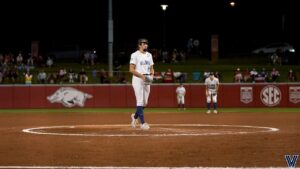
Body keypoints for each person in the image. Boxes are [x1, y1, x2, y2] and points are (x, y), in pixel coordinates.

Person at [129, 38, 154, 130]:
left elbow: (151, 68)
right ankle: (143, 123)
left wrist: (152, 75)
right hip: (137, 78)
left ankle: (134, 117)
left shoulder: (149, 55)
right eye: (144, 43)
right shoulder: (135, 55)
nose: (146, 45)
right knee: (139, 101)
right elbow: (131, 69)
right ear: (139, 45)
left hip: (147, 78)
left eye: (146, 43)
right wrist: (141, 76)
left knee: (145, 103)